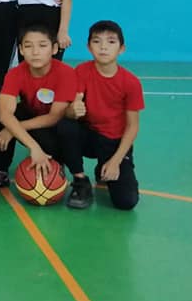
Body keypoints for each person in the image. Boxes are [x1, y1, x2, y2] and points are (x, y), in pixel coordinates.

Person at [0, 25, 79, 194]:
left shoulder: (66, 73)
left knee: (65, 127)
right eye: (28, 46)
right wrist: (33, 147)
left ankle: (59, 165)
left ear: (54, 49)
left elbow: (54, 117)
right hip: (32, 122)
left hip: (54, 129)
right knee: (8, 116)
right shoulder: (15, 73)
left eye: (42, 45)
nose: (35, 52)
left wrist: (12, 130)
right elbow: (4, 114)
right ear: (21, 50)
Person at [58, 21, 144, 210]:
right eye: (97, 41)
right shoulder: (81, 71)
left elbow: (133, 126)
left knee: (126, 202)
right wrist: (72, 110)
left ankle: (104, 166)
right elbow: (74, 103)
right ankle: (80, 180)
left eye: (111, 42)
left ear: (121, 49)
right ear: (89, 47)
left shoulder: (131, 83)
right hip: (89, 136)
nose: (103, 47)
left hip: (114, 143)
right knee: (64, 124)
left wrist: (115, 161)